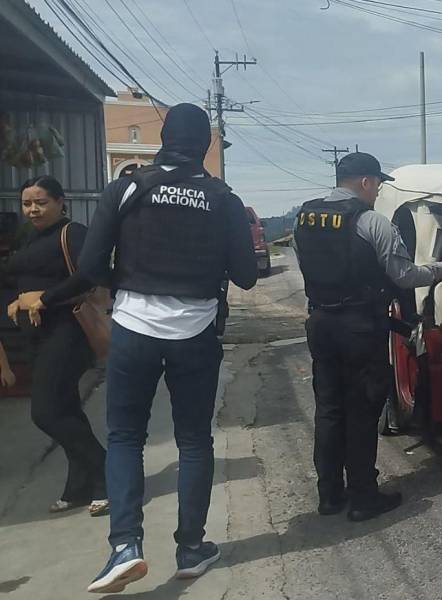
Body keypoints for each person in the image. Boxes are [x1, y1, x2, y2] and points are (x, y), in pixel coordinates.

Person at [79, 104, 257, 594]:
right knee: (194, 441)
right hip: (196, 331)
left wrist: (131, 285)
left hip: (134, 327)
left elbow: (91, 264)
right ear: (204, 146)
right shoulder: (222, 198)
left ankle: (125, 546)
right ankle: (191, 549)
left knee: (125, 437)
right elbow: (245, 274)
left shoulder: (129, 187)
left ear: (163, 137)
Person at [294, 152, 442, 522]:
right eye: (378, 184)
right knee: (362, 411)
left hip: (321, 323)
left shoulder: (304, 218)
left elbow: (304, 264)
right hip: (359, 328)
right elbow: (403, 275)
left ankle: (330, 495)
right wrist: (440, 271)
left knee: (330, 409)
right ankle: (364, 497)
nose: (378, 191)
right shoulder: (371, 222)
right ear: (365, 182)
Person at [3, 176, 108, 517]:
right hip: (37, 337)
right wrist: (18, 301)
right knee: (66, 411)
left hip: (68, 333)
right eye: (27, 203)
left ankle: (108, 473)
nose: (32, 209)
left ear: (61, 202)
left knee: (46, 412)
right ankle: (79, 487)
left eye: (41, 202)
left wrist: (44, 298)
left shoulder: (72, 233)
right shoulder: (30, 238)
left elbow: (91, 275)